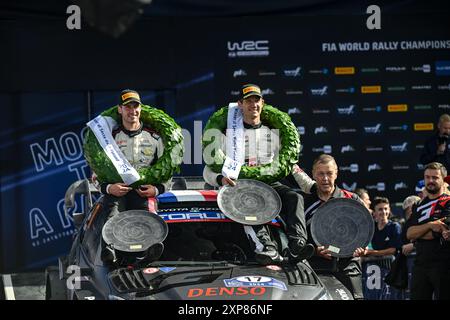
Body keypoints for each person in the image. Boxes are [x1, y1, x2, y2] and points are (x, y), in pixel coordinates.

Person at [203, 83, 315, 265]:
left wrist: (310, 185)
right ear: (240, 104)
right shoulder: (228, 135)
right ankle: (266, 247)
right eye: (248, 101)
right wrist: (221, 179)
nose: (253, 105)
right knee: (252, 202)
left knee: (294, 197)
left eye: (256, 100)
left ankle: (297, 244)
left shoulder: (273, 132)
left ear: (262, 103)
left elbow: (290, 165)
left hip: (269, 182)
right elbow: (208, 169)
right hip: (240, 184)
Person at [297, 154, 365, 300]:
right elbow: (296, 239)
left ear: (336, 173)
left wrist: (362, 248)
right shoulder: (303, 203)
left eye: (329, 173)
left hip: (348, 268)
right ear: (313, 175)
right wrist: (313, 251)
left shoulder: (352, 199)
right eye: (321, 174)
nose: (325, 178)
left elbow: (364, 233)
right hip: (314, 268)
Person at [98, 89, 171, 215]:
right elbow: (96, 172)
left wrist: (156, 190)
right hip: (116, 197)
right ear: (120, 109)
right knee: (111, 229)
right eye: (127, 107)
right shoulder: (109, 138)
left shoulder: (155, 138)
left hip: (144, 195)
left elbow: (167, 169)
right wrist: (110, 188)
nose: (133, 111)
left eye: (136, 106)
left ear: (141, 108)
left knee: (149, 229)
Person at [406, 162, 450, 300]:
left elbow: (439, 233)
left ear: (443, 179)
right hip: (421, 265)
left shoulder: (448, 202)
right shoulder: (418, 205)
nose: (430, 181)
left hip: (444, 265)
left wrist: (420, 232)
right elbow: (409, 233)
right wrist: (430, 225)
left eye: (435, 177)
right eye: (427, 177)